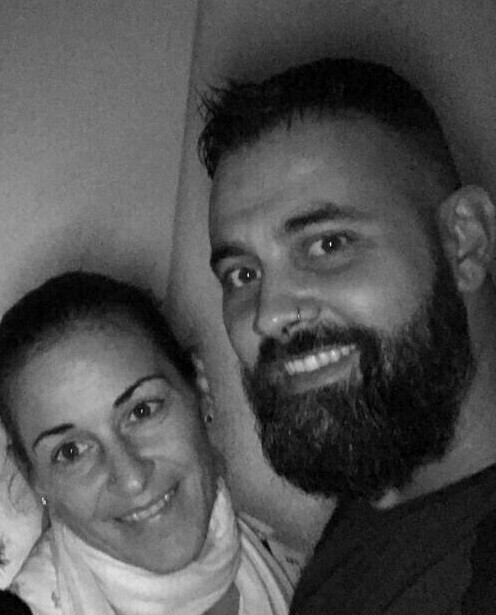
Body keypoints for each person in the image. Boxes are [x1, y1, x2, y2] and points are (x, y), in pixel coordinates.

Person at [198, 57, 496, 613]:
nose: (269, 316)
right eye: (242, 274)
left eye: (328, 245)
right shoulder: (388, 467)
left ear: (465, 242)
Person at [0, 270, 301, 615]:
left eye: (142, 411)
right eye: (71, 452)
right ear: (34, 477)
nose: (132, 479)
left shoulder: (308, 573)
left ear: (201, 390)